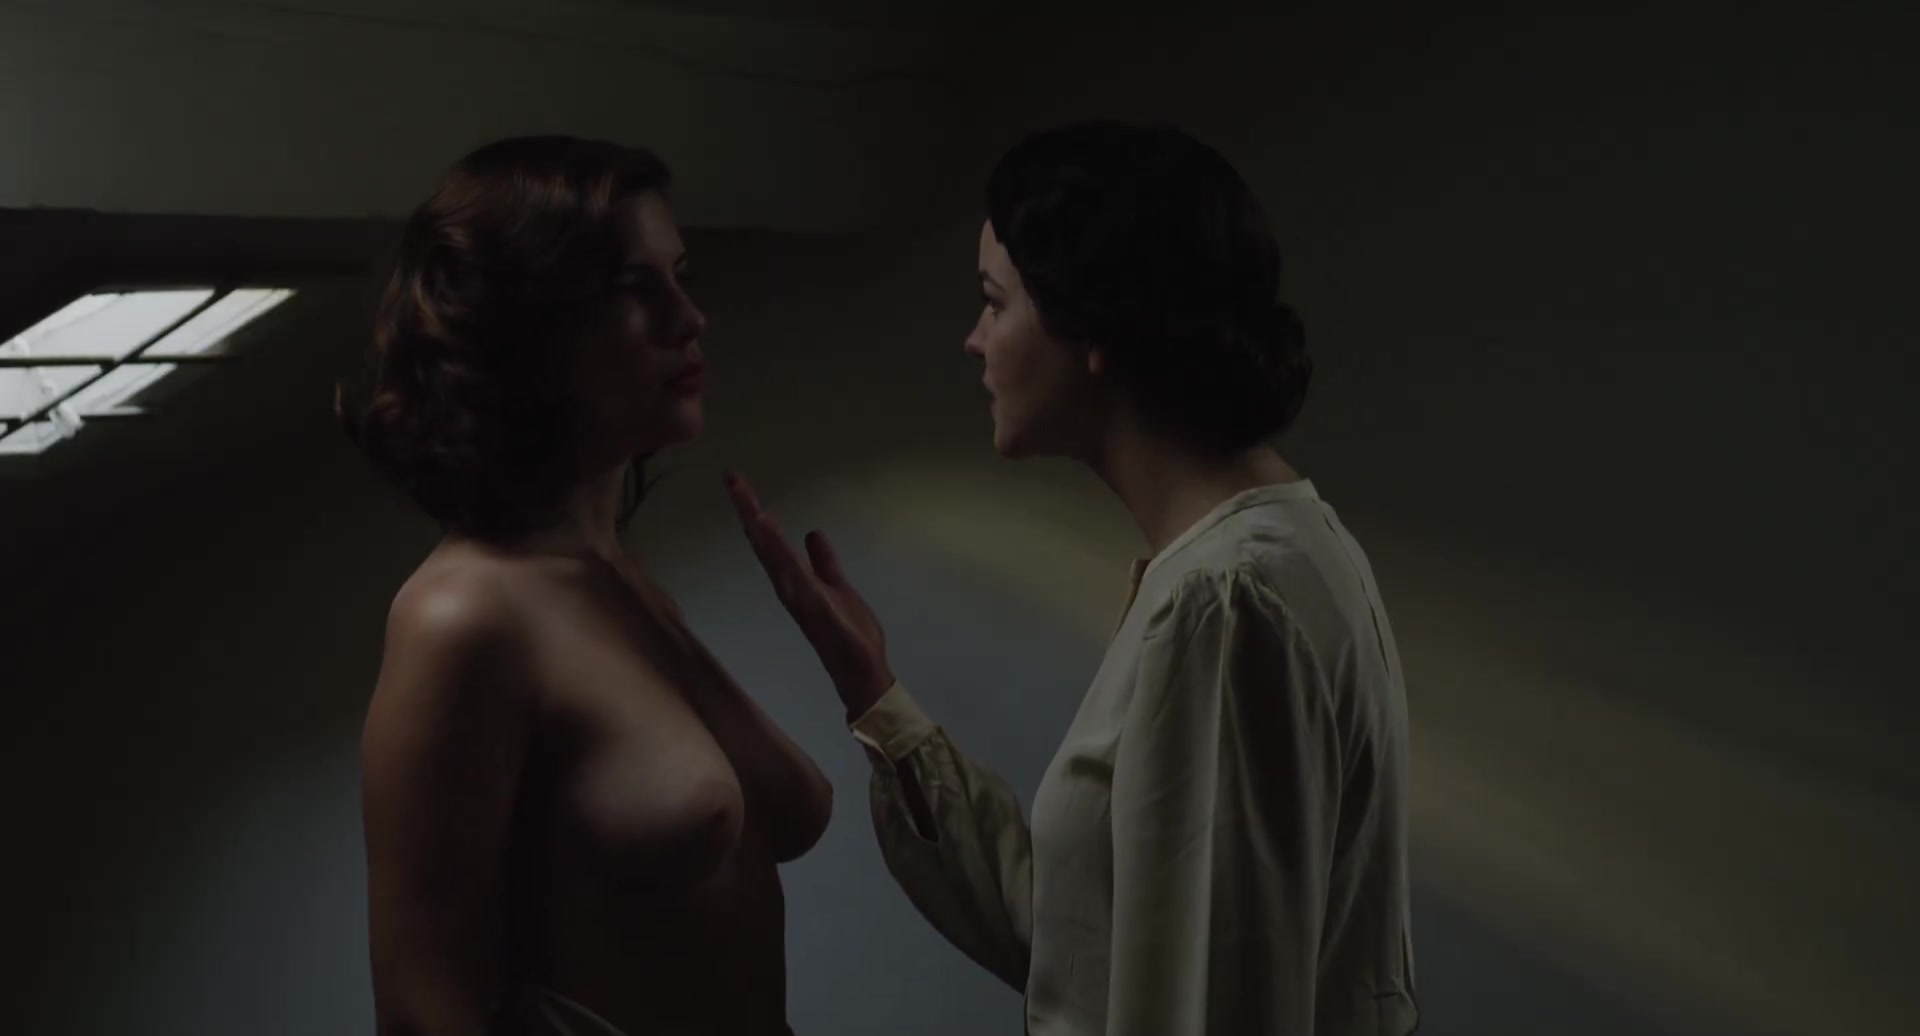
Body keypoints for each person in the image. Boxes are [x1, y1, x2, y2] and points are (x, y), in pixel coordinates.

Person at [725, 121, 1418, 1035]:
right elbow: (1084, 945)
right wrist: (875, 693)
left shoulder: (1225, 601)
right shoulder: (1265, 560)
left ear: (1094, 324)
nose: (975, 340)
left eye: (995, 302)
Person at [339, 136, 832, 1036]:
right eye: (635, 288)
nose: (689, 318)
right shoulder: (462, 616)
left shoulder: (618, 578)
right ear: (532, 330)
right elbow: (422, 1009)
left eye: (679, 276)